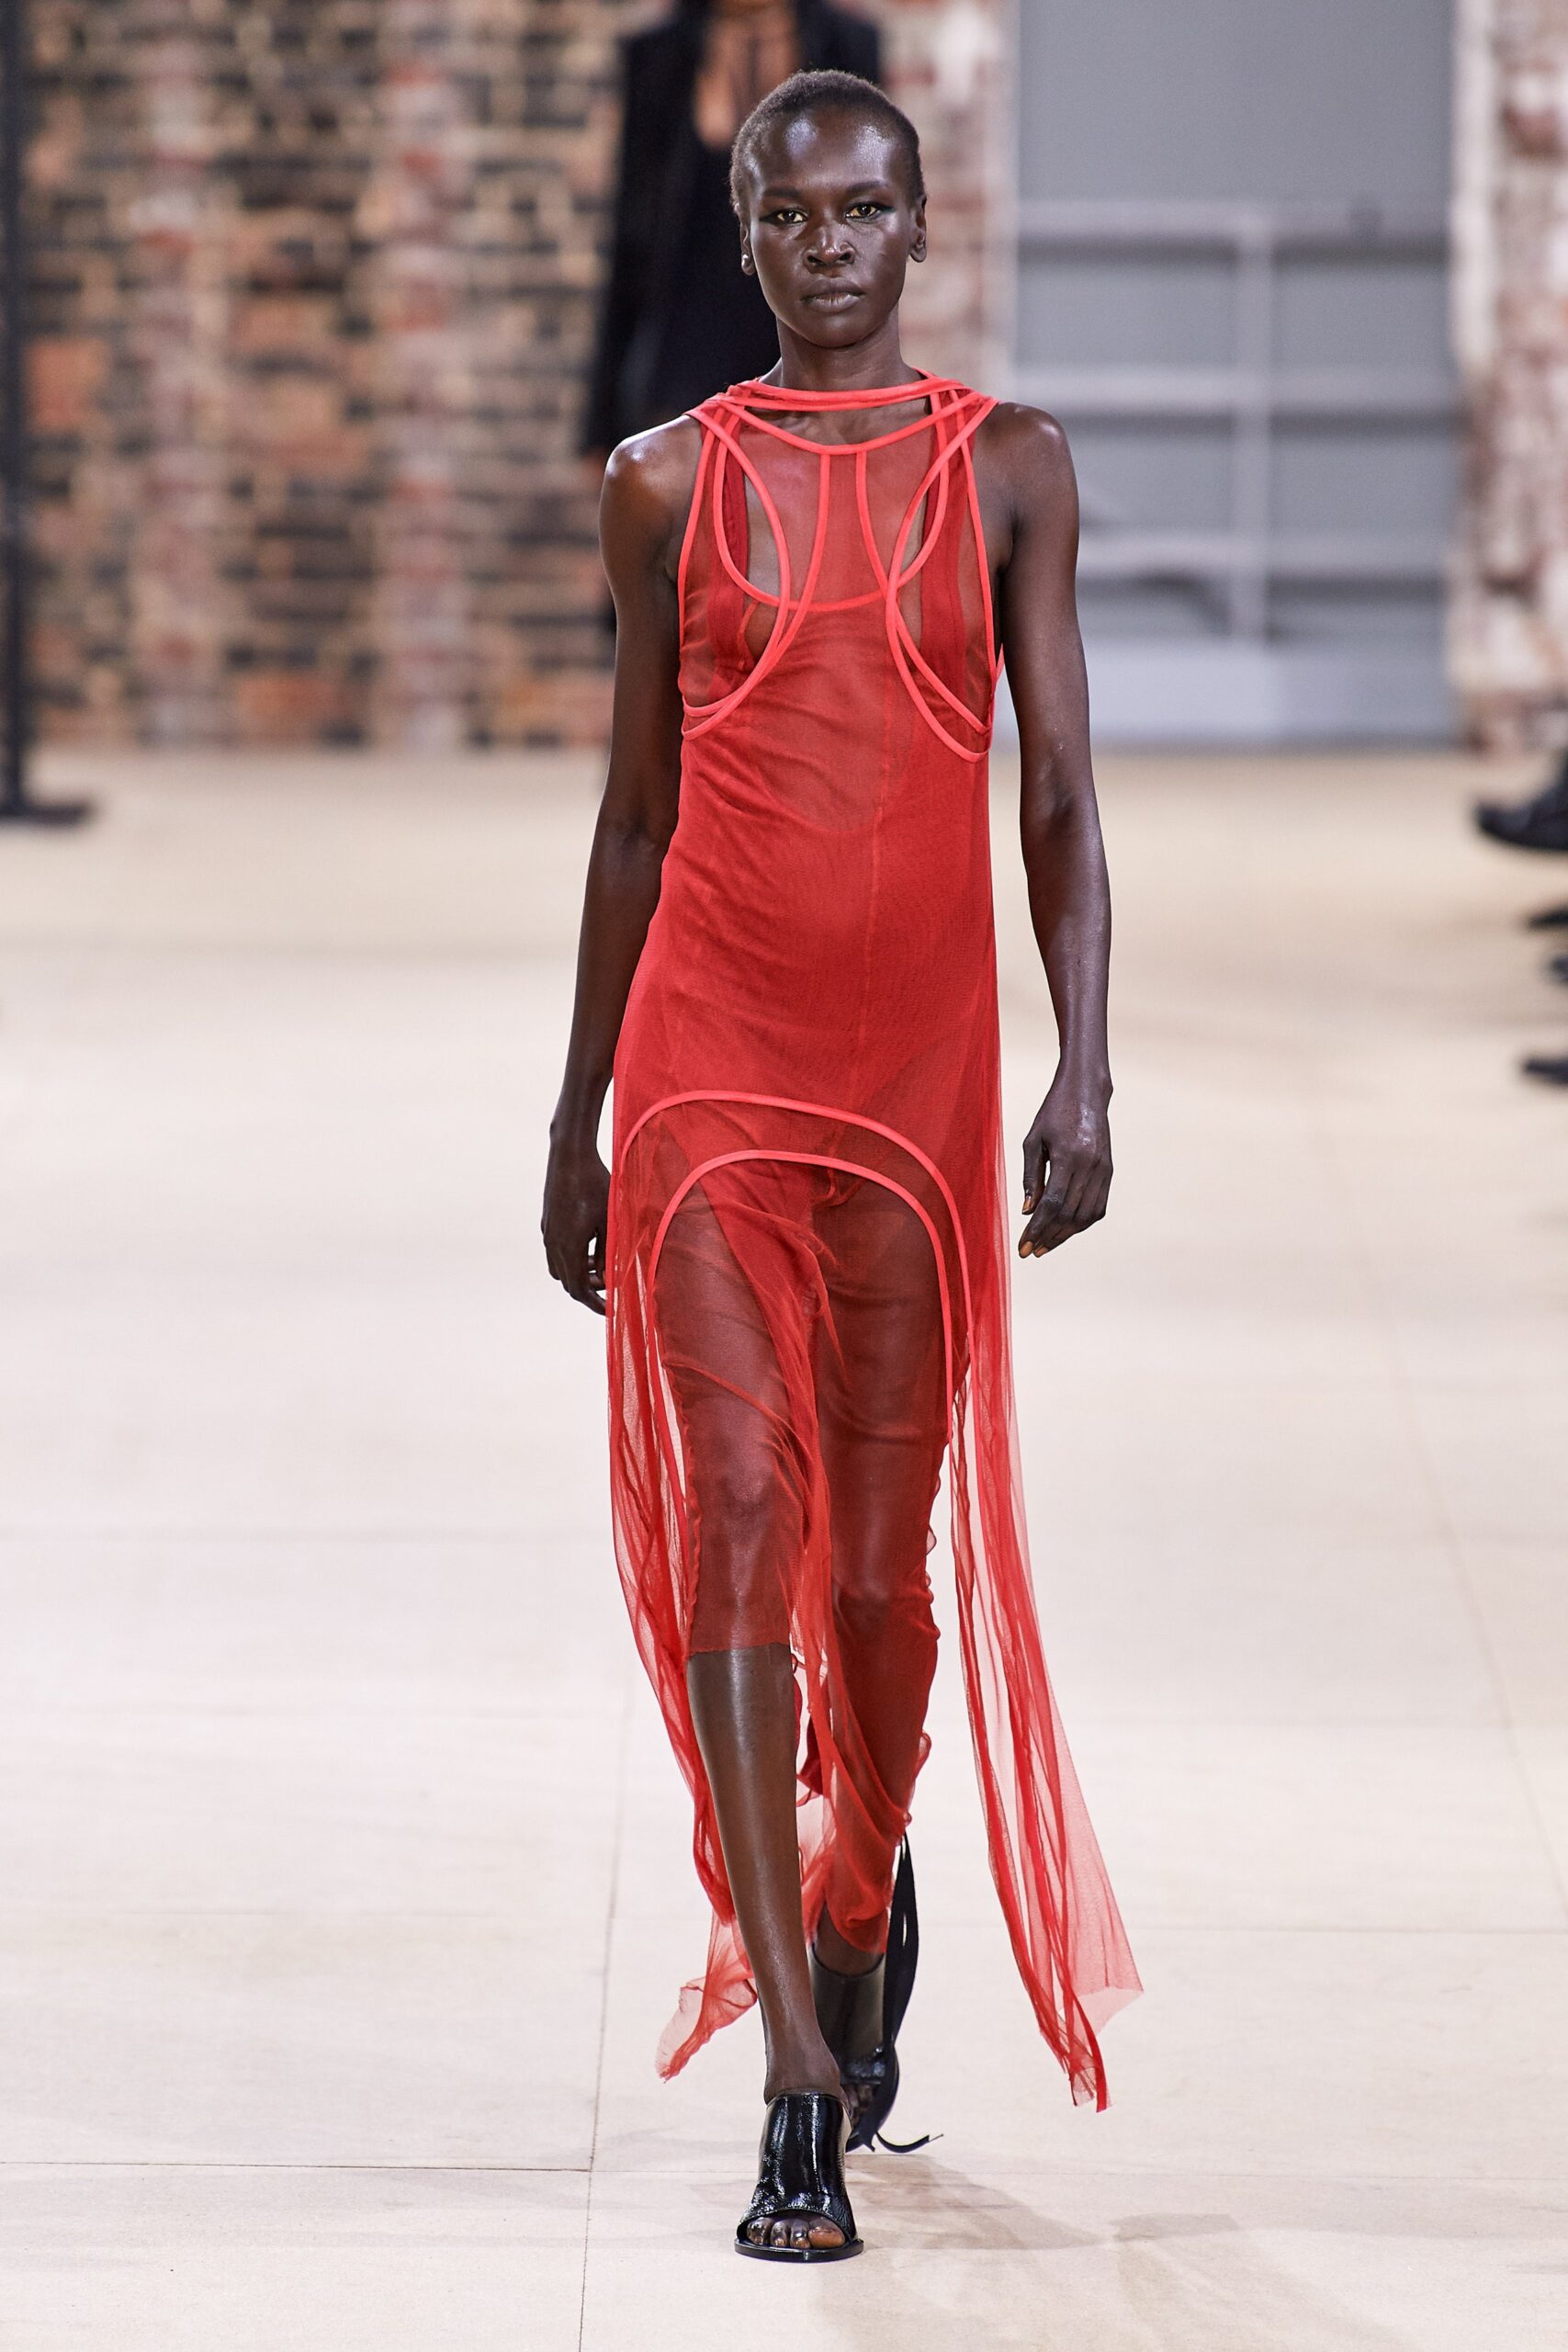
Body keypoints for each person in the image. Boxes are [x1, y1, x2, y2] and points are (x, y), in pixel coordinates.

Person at [544, 71, 1140, 2263]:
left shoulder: (1006, 472)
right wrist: (572, 1107)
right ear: (741, 225)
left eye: (866, 210)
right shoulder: (658, 487)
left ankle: (863, 1877)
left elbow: (1056, 788)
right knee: (734, 1516)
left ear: (915, 222)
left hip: (911, 1093)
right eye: (791, 215)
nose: (830, 249)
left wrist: (1085, 1065)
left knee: (879, 1575)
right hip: (708, 1068)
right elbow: (630, 820)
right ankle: (796, 2056)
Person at [581, 0, 881, 460]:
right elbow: (631, 235)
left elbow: (870, 218)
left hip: (810, 345)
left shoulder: (848, 45)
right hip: (683, 350)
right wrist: (602, 422)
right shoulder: (658, 56)